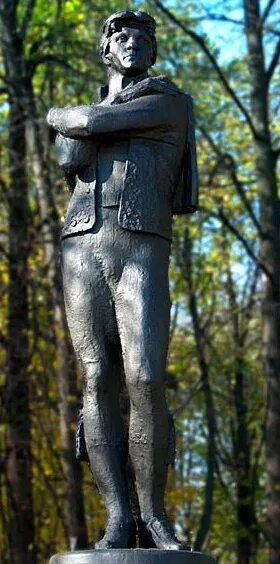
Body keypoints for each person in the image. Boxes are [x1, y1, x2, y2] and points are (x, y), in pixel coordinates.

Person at [47, 10, 198, 551]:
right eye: (119, 35)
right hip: (82, 242)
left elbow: (83, 127)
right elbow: (71, 153)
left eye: (141, 35)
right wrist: (85, 117)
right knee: (96, 377)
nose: (131, 41)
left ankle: (155, 517)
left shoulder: (170, 101)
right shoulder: (111, 103)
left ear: (152, 50)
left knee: (147, 376)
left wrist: (62, 113)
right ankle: (117, 517)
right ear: (106, 51)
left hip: (141, 243)